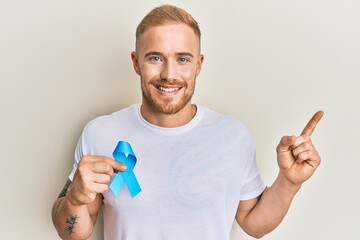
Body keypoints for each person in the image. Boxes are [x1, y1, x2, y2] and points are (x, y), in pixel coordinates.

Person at [52, 4, 324, 240]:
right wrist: (74, 198)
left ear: (199, 65)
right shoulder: (101, 132)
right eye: (155, 58)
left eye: (182, 59)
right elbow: (73, 233)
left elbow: (253, 224)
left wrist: (289, 183)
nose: (169, 74)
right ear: (136, 63)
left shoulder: (232, 136)